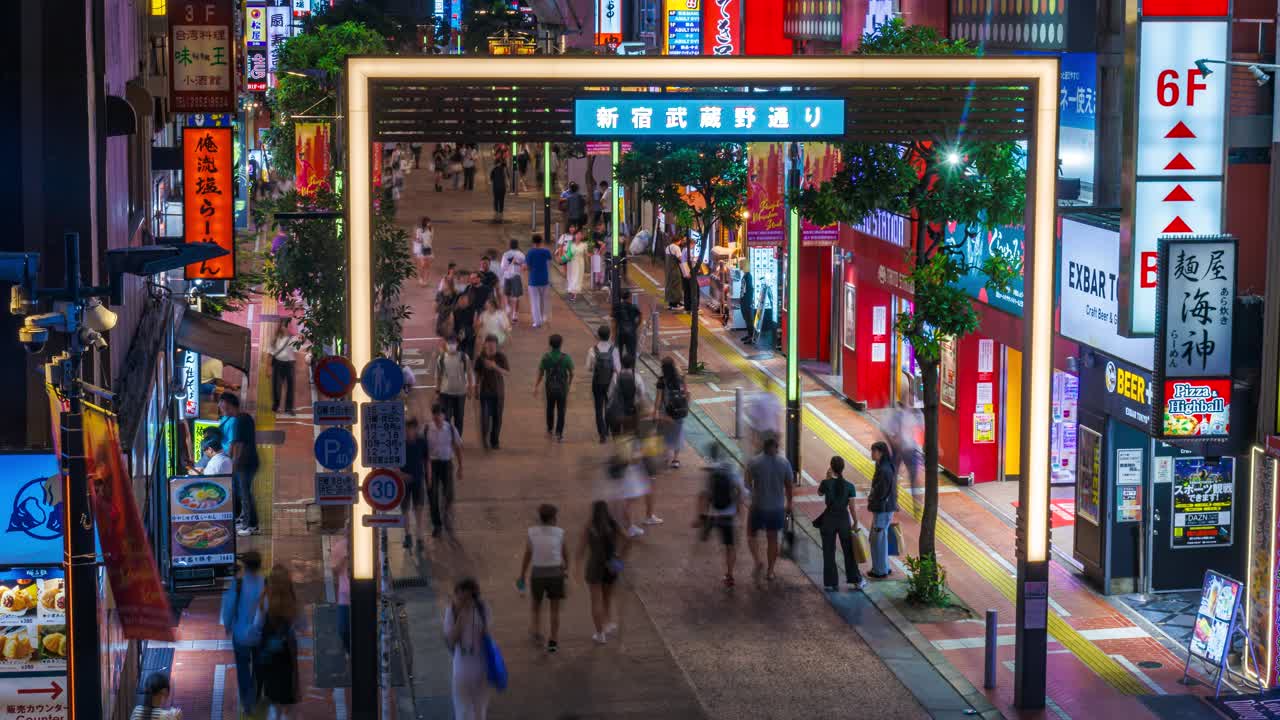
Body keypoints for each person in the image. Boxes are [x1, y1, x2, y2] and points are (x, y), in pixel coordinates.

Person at [696, 444, 749, 589]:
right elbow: (741, 495)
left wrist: (701, 515)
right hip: (729, 515)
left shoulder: (712, 472)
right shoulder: (732, 471)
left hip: (714, 513)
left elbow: (704, 495)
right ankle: (729, 574)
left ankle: (707, 526)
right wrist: (741, 518)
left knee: (714, 538)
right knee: (730, 546)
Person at [220, 551, 265, 717]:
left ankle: (247, 702)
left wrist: (227, 624)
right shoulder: (264, 583)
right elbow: (267, 609)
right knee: (259, 668)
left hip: (240, 635)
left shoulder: (238, 584)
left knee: (243, 669)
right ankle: (257, 695)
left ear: (245, 567)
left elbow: (230, 606)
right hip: (260, 636)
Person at [519, 504, 568, 653]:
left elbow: (527, 555)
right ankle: (553, 641)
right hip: (556, 574)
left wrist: (522, 573)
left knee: (536, 606)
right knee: (554, 610)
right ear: (553, 518)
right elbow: (565, 553)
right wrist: (566, 569)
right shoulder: (560, 533)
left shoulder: (532, 532)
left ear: (540, 518)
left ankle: (536, 631)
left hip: (538, 574)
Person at [746, 435, 794, 583]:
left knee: (751, 534)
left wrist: (754, 492)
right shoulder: (784, 463)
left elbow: (747, 483)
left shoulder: (754, 462)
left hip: (758, 505)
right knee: (772, 538)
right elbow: (789, 485)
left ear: (763, 446)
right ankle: (771, 571)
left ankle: (757, 561)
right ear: (776, 447)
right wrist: (789, 503)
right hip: (777, 508)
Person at [579, 500, 627, 644]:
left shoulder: (590, 526)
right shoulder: (613, 524)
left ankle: (600, 634)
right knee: (607, 596)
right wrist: (620, 557)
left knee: (595, 601)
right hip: (611, 565)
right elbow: (628, 539)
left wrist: (575, 567)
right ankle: (608, 622)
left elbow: (581, 548)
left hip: (594, 566)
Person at [256, 564, 300, 719]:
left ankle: (275, 714)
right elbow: (301, 625)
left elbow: (257, 626)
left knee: (273, 700)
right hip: (287, 655)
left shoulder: (265, 599)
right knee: (288, 699)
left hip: (269, 655)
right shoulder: (291, 600)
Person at [817, 456, 866, 592]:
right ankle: (856, 580)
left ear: (831, 467)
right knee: (849, 551)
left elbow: (819, 493)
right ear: (843, 468)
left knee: (828, 551)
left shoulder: (826, 483)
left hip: (828, 520)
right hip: (844, 520)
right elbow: (851, 507)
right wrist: (855, 522)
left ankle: (831, 583)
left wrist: (827, 478)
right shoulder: (850, 486)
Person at [445, 578, 491, 718]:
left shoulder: (483, 610)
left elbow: (486, 636)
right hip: (462, 670)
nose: (461, 602)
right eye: (459, 597)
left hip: (481, 669)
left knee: (479, 711)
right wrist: (461, 619)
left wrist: (472, 615)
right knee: (463, 712)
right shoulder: (451, 612)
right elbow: (451, 641)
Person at [221, 392, 260, 535]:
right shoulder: (245, 418)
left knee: (245, 494)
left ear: (230, 405)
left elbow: (238, 445)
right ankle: (248, 522)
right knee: (245, 493)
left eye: (224, 407)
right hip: (250, 462)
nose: (222, 410)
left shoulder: (239, 421)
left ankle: (249, 525)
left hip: (245, 463)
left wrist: (234, 464)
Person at [427, 403, 464, 536]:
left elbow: (458, 448)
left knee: (449, 494)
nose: (437, 417)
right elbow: (424, 452)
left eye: (439, 414)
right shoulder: (427, 430)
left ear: (444, 416)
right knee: (433, 496)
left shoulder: (451, 429)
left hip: (447, 464)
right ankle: (437, 524)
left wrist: (460, 467)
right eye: (435, 415)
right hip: (432, 465)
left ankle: (447, 512)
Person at [867, 441, 899, 579]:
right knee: (881, 538)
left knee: (877, 539)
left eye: (873, 451)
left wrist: (872, 496)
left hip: (882, 509)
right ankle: (884, 567)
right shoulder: (883, 466)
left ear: (880, 452)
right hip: (885, 508)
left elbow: (881, 492)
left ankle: (879, 570)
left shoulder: (884, 470)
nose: (872, 454)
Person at [534, 334, 574, 442]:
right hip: (562, 389)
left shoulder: (546, 357)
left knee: (550, 408)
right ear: (561, 344)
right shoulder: (566, 358)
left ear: (550, 344)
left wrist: (536, 386)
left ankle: (549, 428)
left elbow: (541, 373)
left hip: (550, 388)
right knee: (561, 410)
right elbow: (572, 373)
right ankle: (559, 433)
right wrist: (569, 385)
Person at [474, 335, 510, 450]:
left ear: (496, 345)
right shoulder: (481, 358)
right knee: (485, 418)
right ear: (485, 345)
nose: (491, 347)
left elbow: (507, 372)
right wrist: (476, 388)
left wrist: (495, 367)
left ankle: (494, 441)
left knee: (497, 418)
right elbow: (477, 374)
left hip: (499, 393)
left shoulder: (501, 357)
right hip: (485, 392)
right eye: (488, 344)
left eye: (493, 344)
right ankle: (485, 439)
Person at [586, 325, 621, 444]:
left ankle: (602, 434)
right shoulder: (614, 350)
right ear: (609, 335)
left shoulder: (592, 350)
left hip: (597, 383)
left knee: (598, 408)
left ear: (598, 336)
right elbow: (618, 369)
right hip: (610, 383)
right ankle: (607, 429)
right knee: (608, 406)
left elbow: (588, 368)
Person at [653, 356, 689, 469]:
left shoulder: (662, 380)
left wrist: (656, 411)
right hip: (679, 411)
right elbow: (686, 393)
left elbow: (658, 399)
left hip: (666, 411)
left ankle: (665, 456)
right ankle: (676, 459)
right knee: (677, 433)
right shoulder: (681, 378)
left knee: (663, 433)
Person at [886, 400, 924, 507]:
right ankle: (898, 501)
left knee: (906, 476)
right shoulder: (916, 415)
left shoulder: (917, 415)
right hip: (902, 449)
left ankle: (912, 502)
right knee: (899, 475)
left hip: (909, 450)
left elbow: (921, 434)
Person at [401, 417, 429, 549]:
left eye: (411, 429)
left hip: (418, 480)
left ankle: (419, 538)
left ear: (415, 429)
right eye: (407, 429)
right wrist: (401, 475)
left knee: (419, 510)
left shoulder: (422, 442)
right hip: (403, 482)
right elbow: (394, 463)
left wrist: (429, 478)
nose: (409, 431)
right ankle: (408, 537)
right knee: (405, 510)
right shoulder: (400, 443)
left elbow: (426, 460)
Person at [435, 335, 473, 432]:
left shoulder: (464, 357)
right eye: (449, 343)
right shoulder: (441, 358)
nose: (451, 345)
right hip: (445, 393)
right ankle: (447, 439)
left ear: (457, 344)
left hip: (460, 393)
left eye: (453, 343)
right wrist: (437, 391)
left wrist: (470, 389)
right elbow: (438, 376)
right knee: (446, 418)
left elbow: (469, 374)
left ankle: (458, 439)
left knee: (459, 418)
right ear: (446, 345)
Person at [269, 319, 297, 415]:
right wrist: (268, 368)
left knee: (290, 387)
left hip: (290, 364)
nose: (287, 328)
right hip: (278, 364)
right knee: (276, 386)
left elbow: (297, 349)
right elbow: (270, 353)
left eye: (288, 326)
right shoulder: (276, 339)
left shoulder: (293, 339)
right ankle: (276, 405)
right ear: (281, 327)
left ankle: (289, 408)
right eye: (285, 326)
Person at [525, 235, 553, 328]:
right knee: (543, 300)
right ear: (541, 241)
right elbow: (549, 264)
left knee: (535, 301)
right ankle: (543, 317)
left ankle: (537, 322)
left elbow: (527, 267)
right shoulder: (546, 251)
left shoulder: (530, 252)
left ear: (533, 242)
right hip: (545, 279)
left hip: (533, 280)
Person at [612, 289, 642, 362]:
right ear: (629, 297)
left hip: (620, 332)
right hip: (631, 332)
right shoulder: (633, 307)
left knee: (618, 352)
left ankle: (620, 369)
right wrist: (635, 326)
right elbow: (640, 317)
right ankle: (631, 369)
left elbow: (614, 322)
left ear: (620, 297)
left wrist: (613, 334)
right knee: (631, 353)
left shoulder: (616, 307)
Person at [499, 239, 525, 323]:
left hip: (507, 275)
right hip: (517, 276)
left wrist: (501, 274)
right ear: (517, 245)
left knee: (506, 293)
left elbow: (502, 267)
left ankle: (507, 307)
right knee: (516, 296)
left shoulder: (506, 254)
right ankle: (514, 314)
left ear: (509, 245)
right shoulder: (521, 255)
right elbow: (524, 266)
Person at [664, 237, 688, 310]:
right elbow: (681, 259)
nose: (681, 242)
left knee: (670, 285)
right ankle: (675, 304)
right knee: (676, 285)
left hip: (668, 270)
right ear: (678, 241)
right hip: (674, 269)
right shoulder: (676, 248)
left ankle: (671, 303)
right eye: (681, 241)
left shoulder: (668, 247)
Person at [564, 231, 588, 301]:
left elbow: (586, 254)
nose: (578, 236)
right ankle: (571, 290)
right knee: (571, 276)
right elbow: (565, 252)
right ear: (574, 235)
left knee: (578, 277)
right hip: (571, 262)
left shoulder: (584, 245)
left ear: (582, 236)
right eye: (577, 234)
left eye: (580, 234)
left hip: (580, 263)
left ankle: (574, 293)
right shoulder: (570, 244)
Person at [413, 217, 434, 287]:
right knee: (423, 265)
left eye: (430, 222)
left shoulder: (431, 230)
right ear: (425, 223)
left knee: (428, 266)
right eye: (429, 222)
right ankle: (421, 278)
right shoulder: (419, 230)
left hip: (428, 249)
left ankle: (426, 280)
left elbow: (431, 239)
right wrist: (419, 240)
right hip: (422, 249)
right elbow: (416, 239)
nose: (430, 223)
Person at [739, 266, 756, 344]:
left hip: (747, 301)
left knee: (749, 319)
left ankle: (751, 336)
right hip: (744, 300)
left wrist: (747, 301)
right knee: (746, 318)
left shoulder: (748, 276)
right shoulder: (745, 276)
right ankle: (749, 335)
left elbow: (749, 289)